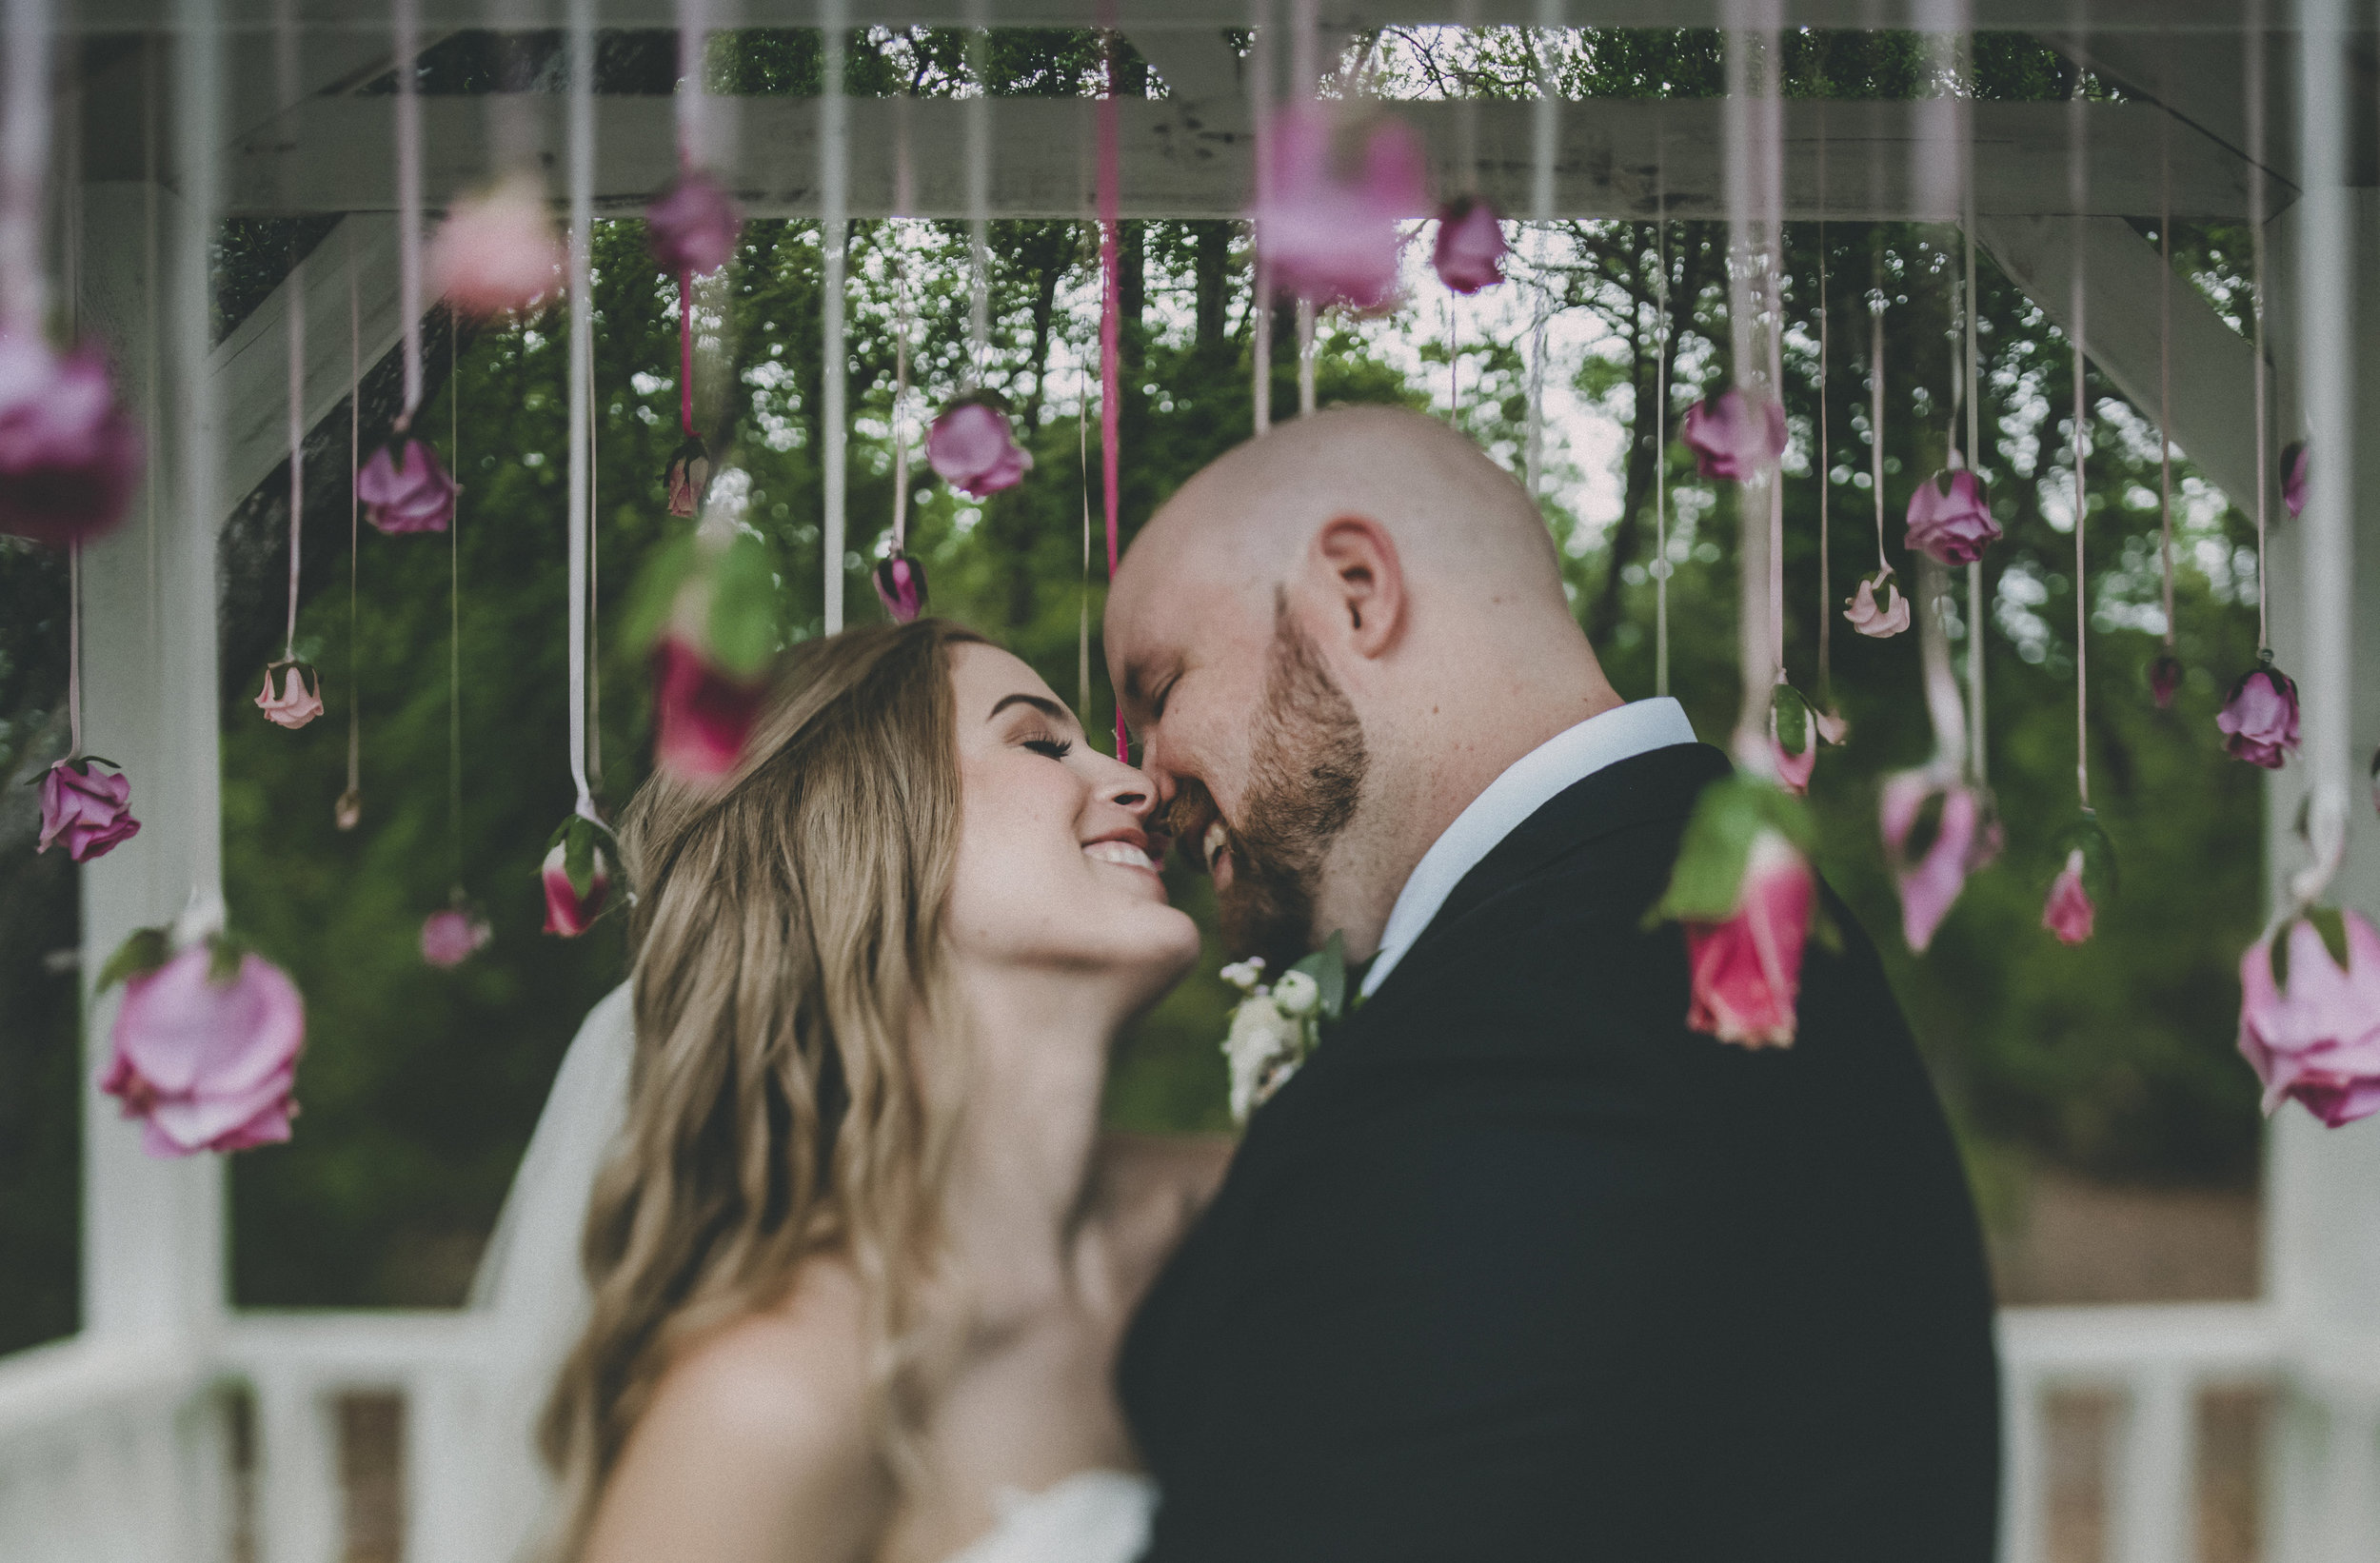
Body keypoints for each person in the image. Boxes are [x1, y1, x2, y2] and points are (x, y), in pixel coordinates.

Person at [1104, 406, 2001, 1562]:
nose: (1147, 782)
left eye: (1163, 687)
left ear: (1356, 589)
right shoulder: (1674, 916)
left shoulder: (1540, 1024)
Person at [541, 619, 1230, 1563]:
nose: (1138, 785)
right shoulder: (779, 1399)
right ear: (858, 828)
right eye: (1037, 741)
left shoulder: (1242, 1210)